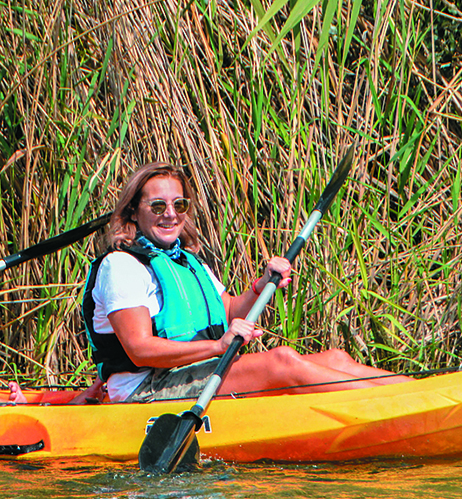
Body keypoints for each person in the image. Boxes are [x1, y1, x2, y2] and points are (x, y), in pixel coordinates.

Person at [82, 162, 410, 403]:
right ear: (134, 212)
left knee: (336, 358)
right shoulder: (121, 266)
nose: (170, 214)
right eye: (158, 205)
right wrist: (217, 347)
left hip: (200, 370)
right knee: (280, 361)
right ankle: (397, 408)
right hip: (145, 389)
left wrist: (261, 285)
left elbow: (229, 310)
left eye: (179, 205)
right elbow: (140, 350)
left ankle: (428, 392)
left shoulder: (185, 260)